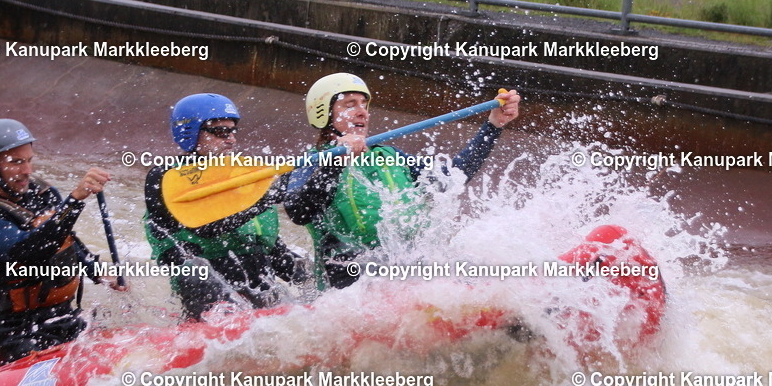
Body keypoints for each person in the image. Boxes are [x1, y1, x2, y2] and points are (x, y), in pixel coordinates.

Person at [285, 73, 521, 289]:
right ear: (324, 113)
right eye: (350, 105)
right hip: (349, 280)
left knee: (483, 273)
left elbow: (454, 177)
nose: (362, 112)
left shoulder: (391, 156)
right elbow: (298, 211)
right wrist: (335, 162)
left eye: (364, 105)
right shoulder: (312, 162)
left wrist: (493, 126)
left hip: (405, 268)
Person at [0, 119, 125, 367]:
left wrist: (99, 272)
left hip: (63, 317)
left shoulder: (44, 195)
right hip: (15, 333)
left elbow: (64, 239)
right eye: (17, 162)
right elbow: (27, 251)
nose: (27, 170)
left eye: (29, 160)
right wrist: (74, 202)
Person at [144, 93, 307, 319]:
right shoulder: (165, 178)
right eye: (220, 132)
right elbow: (206, 228)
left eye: (233, 131)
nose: (231, 139)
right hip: (207, 291)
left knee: (296, 273)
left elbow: (272, 248)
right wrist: (267, 197)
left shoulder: (243, 179)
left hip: (257, 284)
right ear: (191, 132)